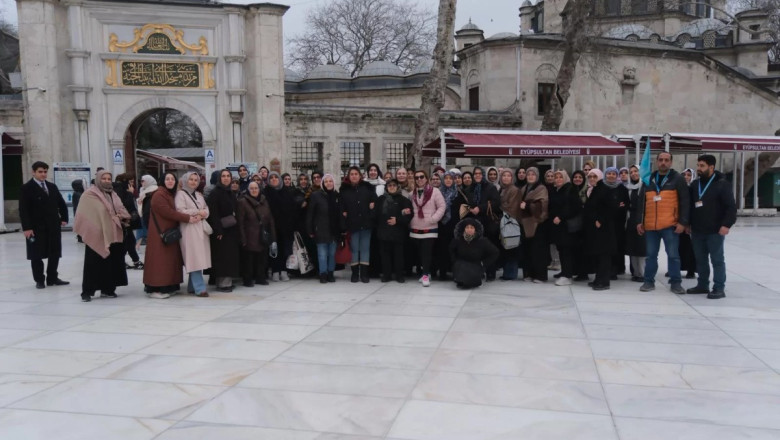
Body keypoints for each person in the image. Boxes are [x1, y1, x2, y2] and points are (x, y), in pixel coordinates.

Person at [73, 169, 130, 302]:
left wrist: (121, 216)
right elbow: (84, 213)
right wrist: (111, 217)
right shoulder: (90, 194)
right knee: (93, 263)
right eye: (103, 178)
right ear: (98, 179)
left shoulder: (113, 194)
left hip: (112, 232)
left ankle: (107, 289)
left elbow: (120, 209)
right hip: (96, 233)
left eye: (108, 179)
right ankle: (87, 292)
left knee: (110, 262)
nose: (106, 181)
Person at [636, 151, 690, 294]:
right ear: (657, 162)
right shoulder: (649, 179)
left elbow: (685, 201)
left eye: (666, 160)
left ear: (671, 162)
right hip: (651, 226)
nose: (663, 162)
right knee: (651, 255)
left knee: (673, 255)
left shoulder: (677, 178)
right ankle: (648, 282)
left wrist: (683, 222)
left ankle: (676, 283)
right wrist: (639, 221)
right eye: (661, 160)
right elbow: (641, 201)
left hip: (670, 225)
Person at [686, 155, 737, 299]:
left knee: (717, 259)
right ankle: (702, 284)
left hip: (715, 230)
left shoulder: (722, 184)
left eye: (702, 166)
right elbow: (691, 206)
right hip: (697, 230)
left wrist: (726, 224)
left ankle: (719, 287)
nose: (699, 168)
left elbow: (731, 207)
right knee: (700, 259)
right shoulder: (695, 185)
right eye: (698, 165)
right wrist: (688, 223)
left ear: (711, 167)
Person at [144, 172, 196, 299]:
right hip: (159, 234)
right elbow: (168, 212)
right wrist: (187, 218)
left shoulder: (170, 193)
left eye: (172, 179)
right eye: (167, 179)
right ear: (162, 180)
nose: (170, 181)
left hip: (169, 232)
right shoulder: (159, 194)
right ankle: (155, 288)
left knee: (169, 262)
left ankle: (168, 286)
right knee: (159, 263)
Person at [19, 161, 69, 289]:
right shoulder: (26, 188)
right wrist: (27, 228)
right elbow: (23, 209)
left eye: (45, 172)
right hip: (36, 228)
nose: (43, 174)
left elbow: (61, 203)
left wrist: (64, 218)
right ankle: (39, 279)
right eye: (40, 172)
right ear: (34, 172)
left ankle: (52, 277)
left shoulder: (52, 187)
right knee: (36, 254)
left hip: (53, 226)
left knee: (55, 252)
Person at [174, 172, 212, 297]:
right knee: (194, 257)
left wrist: (203, 213)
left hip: (200, 228)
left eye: (196, 180)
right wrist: (198, 212)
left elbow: (206, 209)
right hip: (189, 229)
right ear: (185, 180)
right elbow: (180, 210)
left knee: (199, 257)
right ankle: (200, 288)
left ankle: (192, 286)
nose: (194, 182)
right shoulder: (180, 194)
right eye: (191, 179)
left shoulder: (199, 195)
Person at [207, 169, 242, 292]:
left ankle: (227, 282)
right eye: (223, 176)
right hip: (221, 231)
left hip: (231, 230)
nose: (226, 178)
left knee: (229, 257)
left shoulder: (230, 192)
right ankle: (222, 284)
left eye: (228, 176)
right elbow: (213, 214)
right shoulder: (215, 193)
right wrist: (219, 231)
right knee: (222, 258)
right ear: (219, 179)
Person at [409, 170, 446, 287]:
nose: (419, 179)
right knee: (419, 253)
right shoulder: (412, 194)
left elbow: (442, 206)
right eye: (417, 177)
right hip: (415, 227)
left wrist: (433, 219)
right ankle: (426, 272)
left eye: (421, 177)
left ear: (426, 178)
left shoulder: (435, 191)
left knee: (427, 252)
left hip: (430, 227)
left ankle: (425, 275)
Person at [340, 166, 377, 282]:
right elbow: (341, 206)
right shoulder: (344, 190)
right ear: (349, 176)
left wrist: (372, 210)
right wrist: (343, 214)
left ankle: (364, 274)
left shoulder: (368, 188)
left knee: (365, 249)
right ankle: (355, 273)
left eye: (356, 174)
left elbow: (375, 203)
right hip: (352, 225)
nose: (354, 176)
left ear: (360, 176)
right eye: (352, 174)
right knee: (354, 249)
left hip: (366, 224)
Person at [237, 181, 276, 287]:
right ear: (248, 190)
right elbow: (240, 222)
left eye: (256, 188)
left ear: (259, 189)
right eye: (252, 188)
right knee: (249, 260)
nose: (254, 190)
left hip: (262, 234)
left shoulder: (264, 200)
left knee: (262, 258)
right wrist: (242, 238)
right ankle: (248, 279)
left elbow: (270, 218)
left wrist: (272, 235)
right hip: (249, 235)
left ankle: (260, 278)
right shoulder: (242, 202)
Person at [583, 169, 616, 290]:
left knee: (604, 256)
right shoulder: (594, 189)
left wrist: (600, 220)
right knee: (598, 255)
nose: (592, 178)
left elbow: (610, 208)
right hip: (595, 230)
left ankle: (604, 281)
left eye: (594, 176)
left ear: (600, 177)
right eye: (590, 176)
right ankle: (598, 278)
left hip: (603, 229)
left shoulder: (605, 190)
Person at [376, 179, 413, 283]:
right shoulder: (380, 200)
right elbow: (375, 215)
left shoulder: (404, 200)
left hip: (398, 233)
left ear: (397, 187)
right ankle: (386, 275)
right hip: (383, 233)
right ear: (386, 187)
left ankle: (399, 275)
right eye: (389, 185)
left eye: (394, 185)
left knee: (399, 256)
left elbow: (409, 214)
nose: (391, 187)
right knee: (385, 256)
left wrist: (398, 220)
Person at [549, 170, 582, 286]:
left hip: (566, 226)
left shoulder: (570, 189)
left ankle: (567, 275)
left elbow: (575, 207)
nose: (558, 179)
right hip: (558, 226)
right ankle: (564, 272)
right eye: (556, 177)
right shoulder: (556, 190)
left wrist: (561, 217)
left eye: (560, 177)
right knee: (561, 250)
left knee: (566, 251)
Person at [307, 174, 342, 283]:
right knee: (322, 254)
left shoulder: (337, 196)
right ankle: (323, 274)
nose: (328, 183)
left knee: (332, 254)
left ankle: (331, 273)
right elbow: (310, 214)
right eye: (326, 181)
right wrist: (310, 229)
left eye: (330, 181)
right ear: (323, 183)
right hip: (321, 229)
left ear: (333, 183)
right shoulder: (316, 195)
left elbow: (340, 214)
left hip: (334, 230)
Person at [518, 167, 549, 282]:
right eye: (528, 174)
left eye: (533, 174)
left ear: (537, 176)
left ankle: (540, 276)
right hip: (526, 224)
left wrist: (527, 206)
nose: (530, 176)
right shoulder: (524, 188)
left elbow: (542, 205)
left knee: (538, 251)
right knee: (528, 250)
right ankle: (529, 273)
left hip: (538, 224)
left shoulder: (541, 188)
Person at [264, 172, 297, 281]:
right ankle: (275, 271)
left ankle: (283, 270)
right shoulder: (266, 193)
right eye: (271, 178)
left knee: (284, 249)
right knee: (273, 249)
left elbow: (292, 209)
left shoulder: (286, 192)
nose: (274, 179)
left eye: (276, 177)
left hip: (285, 227)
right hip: (271, 227)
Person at [450, 218, 499, 289]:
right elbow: (451, 250)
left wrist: (484, 263)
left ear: (475, 229)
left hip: (476, 265)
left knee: (472, 281)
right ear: (464, 229)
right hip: (461, 265)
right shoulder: (458, 240)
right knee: (461, 274)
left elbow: (495, 252)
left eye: (472, 227)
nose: (469, 229)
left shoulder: (482, 241)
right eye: (467, 227)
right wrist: (454, 261)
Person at [113, 174, 144, 270]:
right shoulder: (120, 191)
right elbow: (125, 205)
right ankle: (132, 261)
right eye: (130, 182)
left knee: (129, 242)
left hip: (125, 222)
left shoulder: (117, 190)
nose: (132, 184)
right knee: (128, 242)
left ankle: (132, 261)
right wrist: (130, 193)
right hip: (124, 222)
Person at [433, 172, 459, 281]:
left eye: (450, 178)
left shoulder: (458, 193)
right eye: (446, 178)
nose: (448, 180)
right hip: (441, 225)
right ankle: (442, 272)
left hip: (454, 225)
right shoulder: (438, 193)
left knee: (453, 249)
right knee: (441, 249)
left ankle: (453, 271)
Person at [604, 167, 629, 279]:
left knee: (617, 246)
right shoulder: (602, 187)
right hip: (604, 222)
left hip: (618, 223)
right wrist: (615, 206)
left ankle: (616, 269)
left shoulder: (621, 188)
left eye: (614, 174)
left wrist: (616, 207)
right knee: (606, 247)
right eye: (609, 173)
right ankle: (606, 269)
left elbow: (625, 204)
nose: (611, 176)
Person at [498, 169, 522, 280]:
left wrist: (500, 206)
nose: (506, 178)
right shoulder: (502, 189)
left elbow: (512, 207)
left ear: (512, 178)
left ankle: (511, 273)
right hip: (504, 222)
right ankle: (507, 272)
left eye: (508, 176)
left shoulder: (514, 190)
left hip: (511, 222)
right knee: (506, 247)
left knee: (512, 247)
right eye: (504, 175)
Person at [625, 165, 647, 282]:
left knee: (641, 248)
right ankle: (636, 272)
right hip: (630, 220)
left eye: (636, 171)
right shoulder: (629, 187)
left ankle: (643, 273)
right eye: (631, 172)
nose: (633, 173)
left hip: (642, 219)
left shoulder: (645, 186)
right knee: (632, 248)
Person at [678, 167, 698, 279]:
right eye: (684, 175)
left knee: (691, 248)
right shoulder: (678, 188)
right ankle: (678, 267)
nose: (686, 177)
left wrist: (688, 223)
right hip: (677, 221)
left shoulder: (694, 189)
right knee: (678, 247)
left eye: (688, 175)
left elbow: (692, 207)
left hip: (689, 223)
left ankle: (691, 270)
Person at [136, 175, 158, 245]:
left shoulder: (154, 189)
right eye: (141, 181)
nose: (141, 183)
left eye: (143, 181)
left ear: (149, 181)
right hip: (143, 213)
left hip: (149, 214)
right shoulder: (143, 189)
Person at [71, 179, 85, 243]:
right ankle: (80, 237)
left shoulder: (78, 193)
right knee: (81, 225)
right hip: (80, 212)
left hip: (79, 212)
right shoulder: (77, 194)